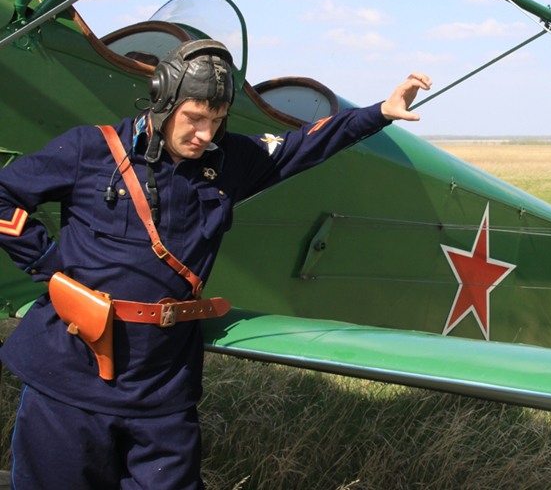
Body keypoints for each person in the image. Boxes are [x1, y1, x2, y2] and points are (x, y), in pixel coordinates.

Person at [0, 38, 432, 489]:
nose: (205, 134)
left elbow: (304, 145)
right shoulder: (90, 149)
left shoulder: (229, 162)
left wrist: (380, 112)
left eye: (217, 120)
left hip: (163, 391)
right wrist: (48, 263)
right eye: (194, 118)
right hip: (68, 379)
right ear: (163, 102)